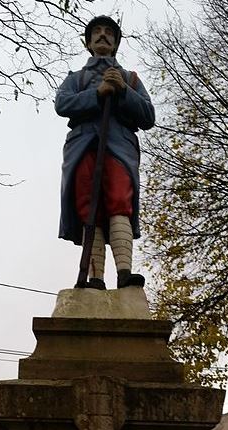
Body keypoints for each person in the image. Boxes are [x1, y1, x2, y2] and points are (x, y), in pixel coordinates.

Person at [55, 15, 155, 290]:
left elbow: (148, 116)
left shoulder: (130, 78)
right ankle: (95, 278)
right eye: (96, 32)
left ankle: (124, 273)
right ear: (88, 42)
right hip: (84, 145)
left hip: (119, 147)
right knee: (90, 208)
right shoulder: (76, 79)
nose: (102, 35)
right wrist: (97, 94)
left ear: (116, 42)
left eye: (108, 32)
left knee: (119, 201)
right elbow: (62, 104)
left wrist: (123, 91)